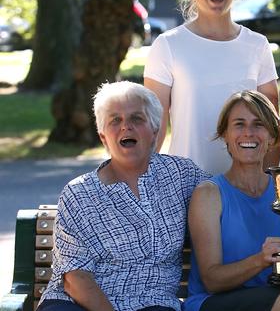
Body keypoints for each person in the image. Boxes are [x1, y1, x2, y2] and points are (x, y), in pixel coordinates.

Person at [37, 81, 209, 311]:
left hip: (151, 302)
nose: (125, 126)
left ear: (155, 131)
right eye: (115, 120)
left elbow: (225, 194)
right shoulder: (79, 194)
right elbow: (74, 278)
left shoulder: (181, 175)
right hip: (78, 303)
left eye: (137, 119)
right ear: (103, 137)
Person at [144, 0, 280, 175]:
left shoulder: (257, 45)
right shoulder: (168, 45)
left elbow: (272, 127)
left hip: (245, 190)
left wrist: (267, 187)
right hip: (187, 187)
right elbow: (153, 129)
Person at [183, 90, 280, 311]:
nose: (249, 133)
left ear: (273, 137)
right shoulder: (208, 195)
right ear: (224, 134)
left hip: (275, 303)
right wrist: (261, 260)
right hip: (213, 303)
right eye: (239, 124)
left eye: (258, 124)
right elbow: (212, 281)